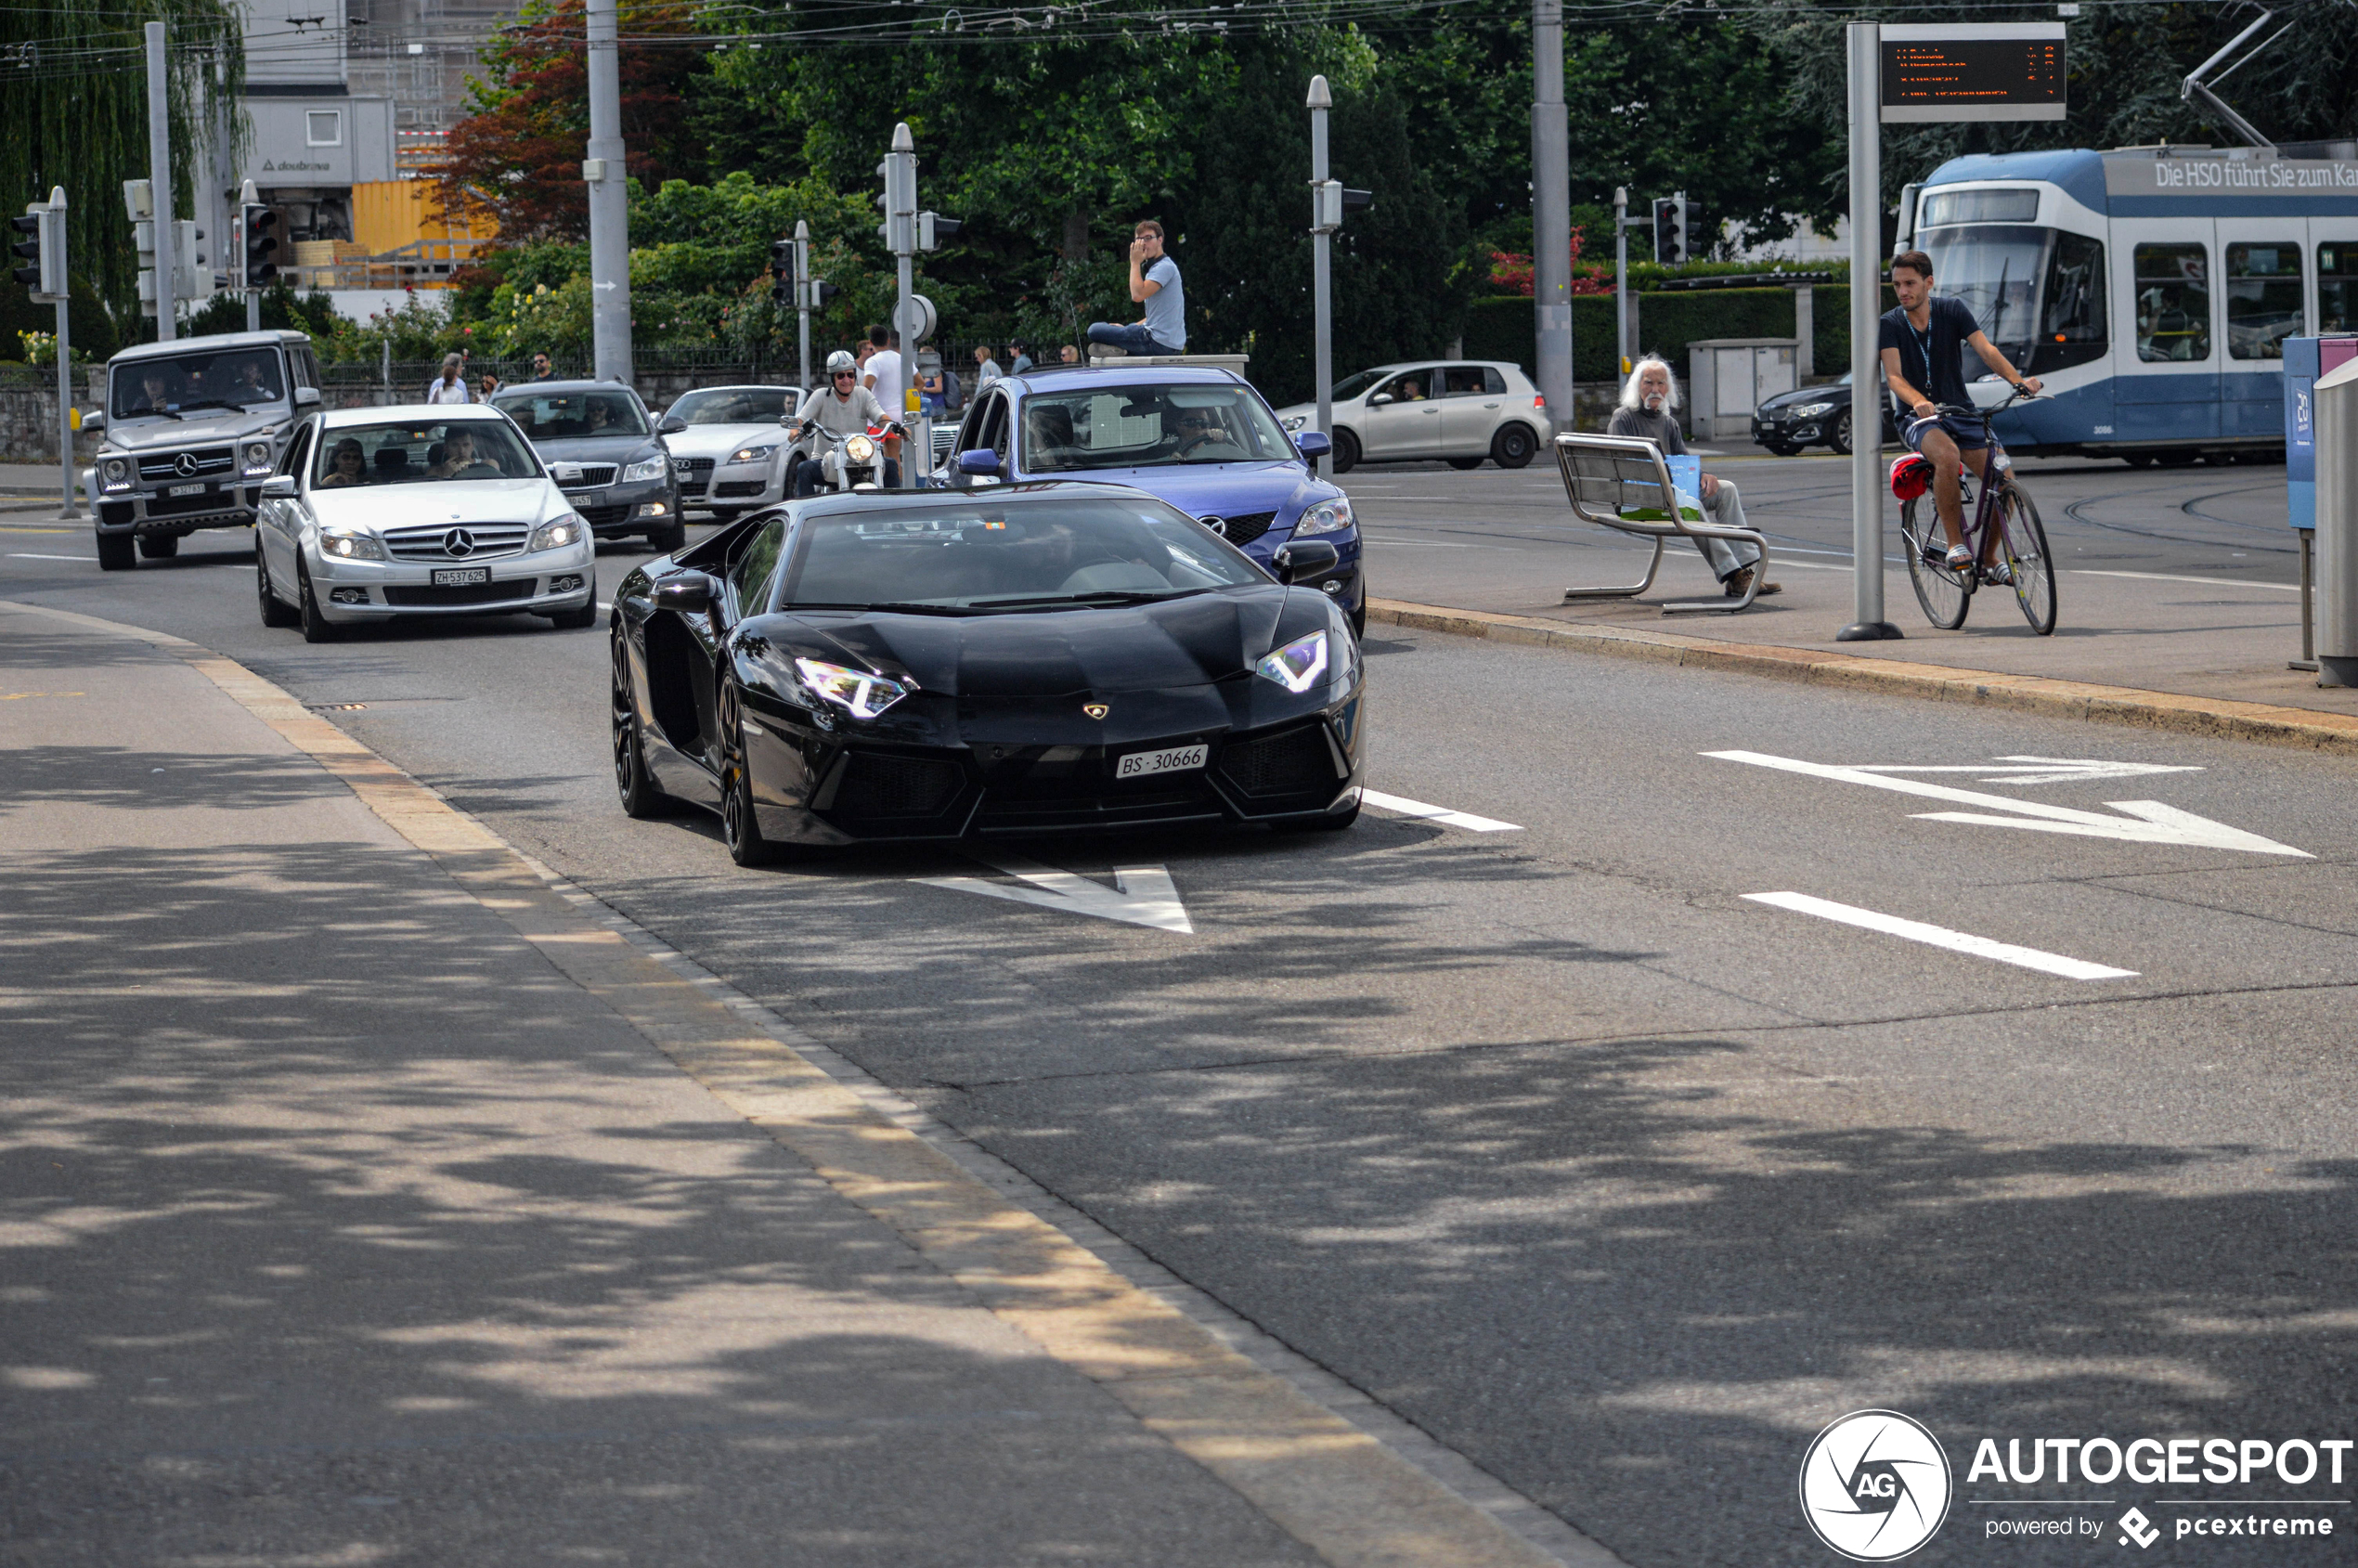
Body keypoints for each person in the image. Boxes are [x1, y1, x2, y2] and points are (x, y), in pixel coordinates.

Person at [1881, 249, 2042, 582]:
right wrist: (1918, 401)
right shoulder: (1890, 323)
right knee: (1947, 455)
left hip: (1960, 411)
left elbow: (1986, 349)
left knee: (2005, 481)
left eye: (1910, 283)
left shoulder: (1952, 310)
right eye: (1897, 285)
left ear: (1929, 282)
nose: (1903, 292)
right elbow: (1894, 376)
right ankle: (1956, 544)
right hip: (1918, 418)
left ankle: (1987, 557)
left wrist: (2018, 381)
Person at [1604, 357, 1779, 601]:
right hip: (1638, 501)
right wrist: (1670, 486)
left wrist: (1704, 476)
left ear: (1668, 389)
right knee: (1690, 505)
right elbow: (1623, 470)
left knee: (1726, 490)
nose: (1655, 389)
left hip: (1669, 497)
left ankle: (1744, 571)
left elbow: (1684, 465)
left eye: (1661, 383)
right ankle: (1732, 574)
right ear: (1637, 387)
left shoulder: (1669, 423)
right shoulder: (1623, 418)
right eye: (1648, 383)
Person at [787, 350, 900, 495]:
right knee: (804, 469)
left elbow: (880, 416)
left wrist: (895, 427)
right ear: (832, 378)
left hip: (860, 460)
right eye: (841, 376)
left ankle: (894, 510)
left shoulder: (863, 394)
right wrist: (795, 430)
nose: (846, 380)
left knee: (890, 464)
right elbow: (800, 419)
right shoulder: (821, 396)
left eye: (850, 375)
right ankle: (807, 513)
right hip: (826, 460)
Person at [1087, 220, 1185, 357]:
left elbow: (1137, 295)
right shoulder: (1163, 267)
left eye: (1148, 238)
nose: (1144, 243)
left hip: (1156, 343)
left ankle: (1119, 348)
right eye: (1139, 240)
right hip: (1168, 345)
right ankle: (1121, 349)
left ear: (1160, 240)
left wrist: (1134, 262)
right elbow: (1155, 317)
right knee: (1126, 329)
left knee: (1094, 330)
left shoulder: (1164, 267)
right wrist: (1127, 329)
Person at [427, 427, 501, 479]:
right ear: (446, 448)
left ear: (473, 447)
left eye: (466, 445)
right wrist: (446, 475)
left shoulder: (488, 466)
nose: (461, 451)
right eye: (455, 445)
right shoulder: (435, 472)